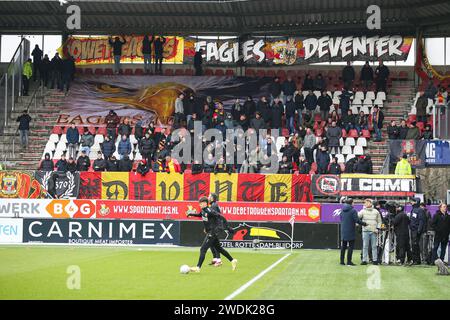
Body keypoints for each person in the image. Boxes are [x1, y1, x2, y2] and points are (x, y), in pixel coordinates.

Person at [186, 196, 238, 273]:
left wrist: (226, 227)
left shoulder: (209, 211)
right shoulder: (204, 211)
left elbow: (220, 216)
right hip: (211, 232)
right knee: (219, 249)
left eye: (200, 203)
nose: (199, 205)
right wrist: (192, 214)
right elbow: (201, 214)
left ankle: (198, 267)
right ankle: (233, 260)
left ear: (204, 203)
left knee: (203, 249)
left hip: (212, 233)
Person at [340, 197, 366, 266]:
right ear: (351, 203)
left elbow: (341, 218)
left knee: (343, 246)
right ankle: (349, 261)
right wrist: (364, 224)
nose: (354, 203)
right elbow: (357, 220)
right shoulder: (353, 210)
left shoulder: (342, 210)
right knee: (350, 247)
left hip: (343, 230)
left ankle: (342, 261)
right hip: (350, 230)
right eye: (353, 202)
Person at [358, 199, 382, 265]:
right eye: (365, 203)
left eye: (368, 202)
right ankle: (364, 260)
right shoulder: (362, 211)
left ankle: (375, 260)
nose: (366, 204)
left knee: (374, 246)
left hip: (374, 231)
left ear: (371, 203)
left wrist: (378, 228)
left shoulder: (376, 211)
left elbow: (379, 221)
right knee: (365, 246)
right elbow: (357, 217)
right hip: (365, 231)